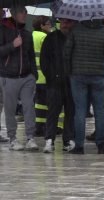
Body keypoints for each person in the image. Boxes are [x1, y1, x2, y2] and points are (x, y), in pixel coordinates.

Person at [63, 17, 104, 154]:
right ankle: (100, 144)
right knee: (100, 110)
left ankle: (79, 145)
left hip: (78, 75)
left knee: (80, 110)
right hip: (98, 75)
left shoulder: (76, 30)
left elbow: (67, 52)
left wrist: (69, 71)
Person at [0, 6, 38, 151]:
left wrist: (34, 75)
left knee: (29, 107)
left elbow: (31, 56)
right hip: (8, 76)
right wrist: (12, 45)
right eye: (22, 11)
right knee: (10, 110)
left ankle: (30, 137)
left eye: (26, 11)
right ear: (14, 13)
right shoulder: (3, 29)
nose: (25, 14)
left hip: (27, 77)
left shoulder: (27, 34)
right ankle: (13, 138)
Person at [41, 18, 76, 153]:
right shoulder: (51, 38)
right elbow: (44, 60)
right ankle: (49, 139)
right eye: (62, 22)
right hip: (54, 82)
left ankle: (68, 139)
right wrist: (51, 76)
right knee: (53, 111)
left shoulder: (74, 37)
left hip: (71, 82)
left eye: (67, 22)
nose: (64, 25)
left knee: (70, 111)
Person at [32, 15, 51, 140]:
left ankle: (37, 126)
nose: (50, 26)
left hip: (34, 76)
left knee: (37, 103)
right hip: (44, 76)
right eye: (48, 24)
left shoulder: (31, 35)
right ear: (42, 25)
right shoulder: (44, 37)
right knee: (44, 103)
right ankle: (43, 127)